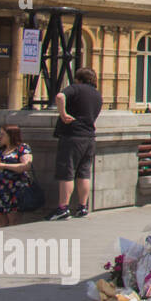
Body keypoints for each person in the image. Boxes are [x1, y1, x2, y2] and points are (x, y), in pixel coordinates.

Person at [48, 67, 102, 220]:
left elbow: (59, 96)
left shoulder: (75, 88)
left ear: (78, 79)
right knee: (84, 172)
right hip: (89, 137)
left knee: (67, 171)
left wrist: (63, 114)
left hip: (72, 136)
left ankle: (63, 208)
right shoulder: (97, 95)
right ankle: (82, 207)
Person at [0, 124, 34, 227]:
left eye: (3, 134)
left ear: (11, 135)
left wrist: (4, 165)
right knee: (0, 221)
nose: (0, 136)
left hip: (15, 187)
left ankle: (12, 241)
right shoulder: (0, 150)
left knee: (13, 220)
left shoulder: (22, 148)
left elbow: (26, 166)